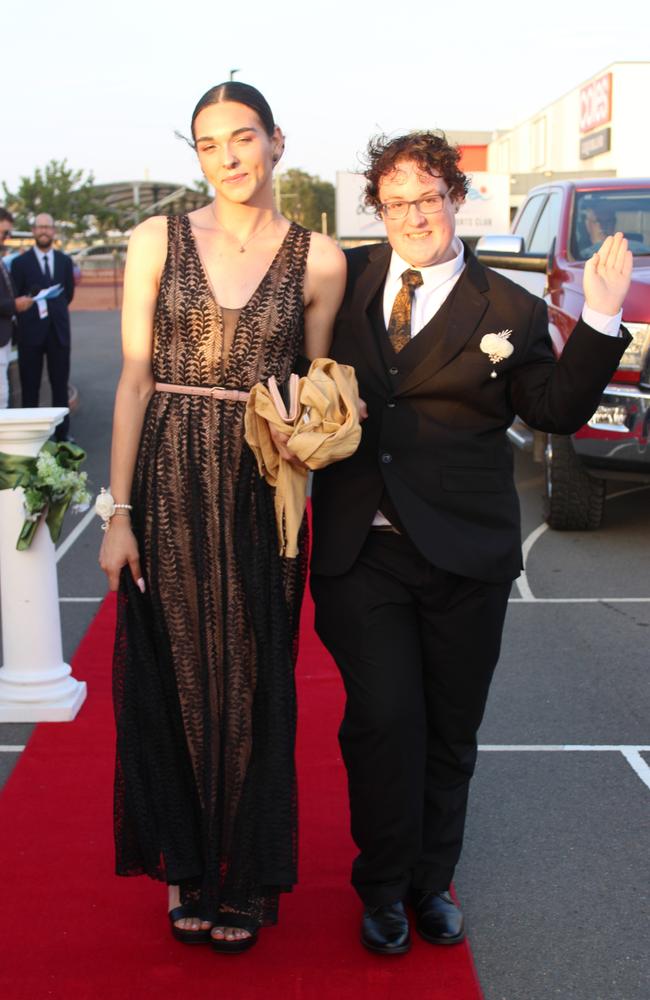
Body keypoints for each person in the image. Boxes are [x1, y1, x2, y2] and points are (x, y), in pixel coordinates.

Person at [310, 131, 632, 955]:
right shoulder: (343, 280)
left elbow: (556, 411)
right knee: (383, 720)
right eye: (397, 202)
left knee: (451, 728)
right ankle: (381, 887)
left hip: (465, 553)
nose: (415, 215)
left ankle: (430, 881)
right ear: (376, 210)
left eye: (429, 197)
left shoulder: (509, 309)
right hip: (363, 547)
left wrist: (600, 315)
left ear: (458, 198)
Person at [98, 81, 345, 953]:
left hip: (259, 487)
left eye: (244, 138)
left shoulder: (320, 259)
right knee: (173, 675)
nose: (230, 158)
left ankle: (242, 877)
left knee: (250, 677)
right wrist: (117, 512)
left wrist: (305, 442)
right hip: (165, 473)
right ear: (196, 156)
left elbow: (318, 394)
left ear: (278, 141)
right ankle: (187, 869)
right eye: (209, 145)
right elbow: (133, 380)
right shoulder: (154, 239)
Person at [10, 213, 75, 439]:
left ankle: (62, 436)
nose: (44, 231)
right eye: (40, 227)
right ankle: (32, 437)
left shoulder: (65, 261)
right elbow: (14, 297)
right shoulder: (20, 263)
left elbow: (68, 294)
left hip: (58, 333)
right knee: (30, 387)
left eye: (48, 227)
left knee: (59, 386)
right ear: (33, 231)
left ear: (54, 231)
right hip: (30, 335)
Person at [0, 209, 33, 407]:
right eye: (4, 232)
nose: (7, 237)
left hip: (5, 338)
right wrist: (14, 305)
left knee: (3, 399)